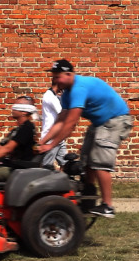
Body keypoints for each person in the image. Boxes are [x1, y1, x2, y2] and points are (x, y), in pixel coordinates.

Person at [37, 59, 133, 218]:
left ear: (69, 74)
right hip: (100, 123)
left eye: (57, 76)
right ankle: (89, 201)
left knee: (99, 162)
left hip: (116, 120)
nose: (54, 80)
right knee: (86, 160)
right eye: (53, 77)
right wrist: (43, 141)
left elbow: (70, 124)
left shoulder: (78, 89)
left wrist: (52, 145)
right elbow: (60, 120)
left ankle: (108, 206)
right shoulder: (67, 94)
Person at [40, 79, 66, 168]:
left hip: (58, 137)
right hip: (50, 137)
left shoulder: (54, 96)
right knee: (47, 166)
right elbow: (62, 112)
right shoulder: (49, 96)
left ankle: (62, 181)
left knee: (65, 163)